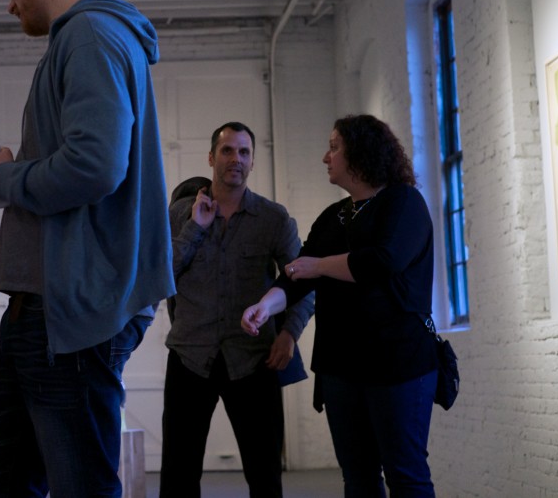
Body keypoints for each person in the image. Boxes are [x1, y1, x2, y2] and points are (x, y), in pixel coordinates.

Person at [0, 0, 175, 498]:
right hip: (49, 309)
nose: (8, 1)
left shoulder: (90, 35)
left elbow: (94, 166)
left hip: (69, 313)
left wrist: (3, 178)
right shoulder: (90, 39)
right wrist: (6, 167)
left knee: (79, 485)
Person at [242, 114, 439, 497]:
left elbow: (383, 262)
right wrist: (266, 305)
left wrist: (319, 266)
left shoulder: (403, 203)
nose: (325, 157)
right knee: (358, 477)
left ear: (360, 152)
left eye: (334, 147)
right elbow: (298, 273)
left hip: (396, 361)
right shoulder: (335, 216)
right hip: (341, 366)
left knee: (405, 474)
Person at [160, 123, 314, 498]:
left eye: (244, 152)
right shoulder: (181, 214)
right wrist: (196, 228)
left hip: (253, 360)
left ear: (252, 161)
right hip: (190, 357)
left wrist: (288, 333)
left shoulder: (273, 218)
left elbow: (302, 282)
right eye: (227, 151)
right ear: (212, 158)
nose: (236, 159)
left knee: (264, 476)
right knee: (178, 476)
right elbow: (161, 275)